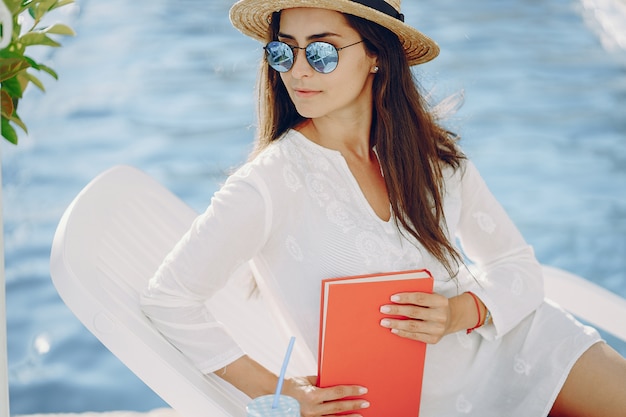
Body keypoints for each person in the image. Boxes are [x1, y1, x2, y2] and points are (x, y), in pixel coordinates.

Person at [140, 1, 626, 416]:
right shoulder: (267, 184)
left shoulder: (431, 158)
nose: (299, 70)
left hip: (525, 347)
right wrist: (282, 391)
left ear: (374, 54)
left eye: (323, 50)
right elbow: (168, 299)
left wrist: (462, 311)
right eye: (283, 50)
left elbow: (517, 266)